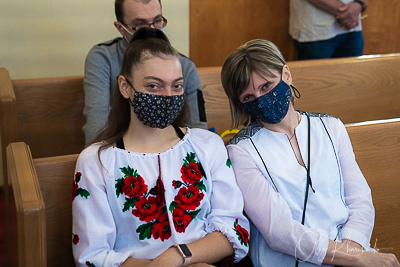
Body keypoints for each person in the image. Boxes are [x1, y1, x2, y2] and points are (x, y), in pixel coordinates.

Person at [72, 27, 249, 267]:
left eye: (176, 86)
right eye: (154, 86)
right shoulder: (96, 161)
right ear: (125, 87)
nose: (167, 96)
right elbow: (93, 256)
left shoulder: (207, 145)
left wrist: (180, 256)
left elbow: (234, 231)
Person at [220, 39, 400, 266]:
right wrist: (353, 258)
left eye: (266, 86)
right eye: (249, 97)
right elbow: (280, 232)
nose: (261, 100)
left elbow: (360, 199)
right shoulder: (241, 151)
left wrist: (352, 253)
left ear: (286, 74)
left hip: (350, 252)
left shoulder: (331, 126)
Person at [83, 0, 207, 144]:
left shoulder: (184, 65)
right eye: (140, 24)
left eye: (157, 21)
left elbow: (198, 129)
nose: (152, 30)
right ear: (120, 28)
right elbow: (96, 125)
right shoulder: (103, 57)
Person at [289, 0, 367, 60]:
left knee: (352, 78)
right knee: (315, 79)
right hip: (316, 32)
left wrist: (359, 4)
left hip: (352, 29)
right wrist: (347, 12)